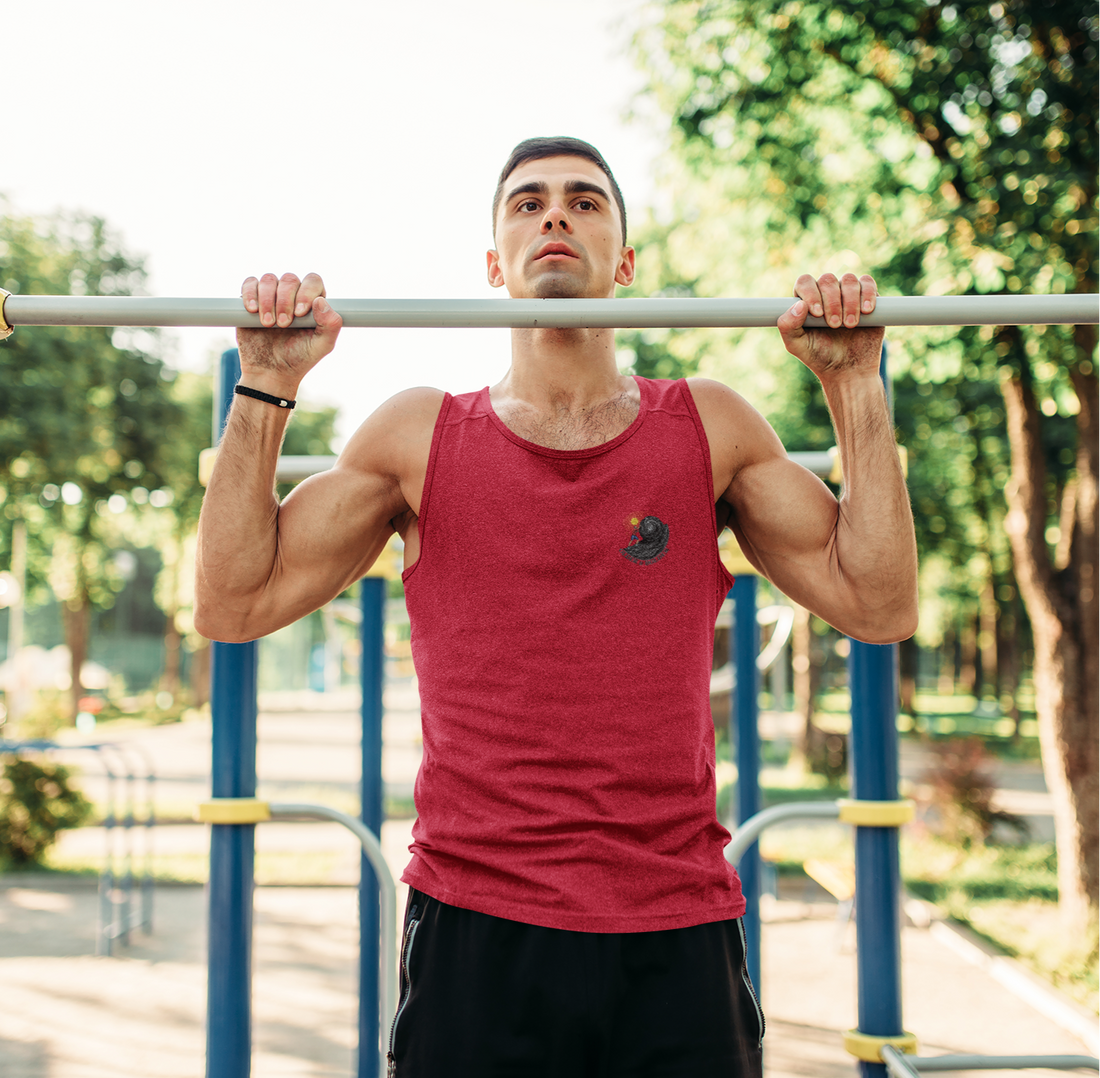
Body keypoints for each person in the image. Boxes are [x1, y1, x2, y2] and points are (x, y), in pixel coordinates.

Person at [194, 136, 918, 1077]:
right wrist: (267, 383)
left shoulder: (709, 423)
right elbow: (231, 602)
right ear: (495, 265)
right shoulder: (419, 433)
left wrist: (852, 385)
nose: (554, 216)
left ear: (624, 262)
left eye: (584, 201)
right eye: (528, 203)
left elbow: (881, 602)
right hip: (478, 927)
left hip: (676, 923)